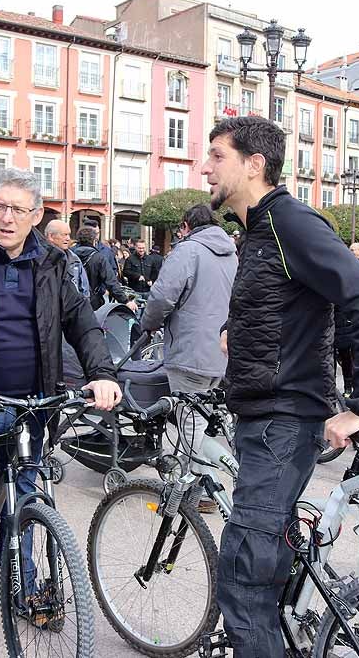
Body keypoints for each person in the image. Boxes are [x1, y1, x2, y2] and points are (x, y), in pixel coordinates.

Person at [202, 115, 359, 657]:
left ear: (254, 164)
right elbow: (286, 305)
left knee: (242, 581)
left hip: (282, 422)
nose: (205, 167)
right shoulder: (259, 230)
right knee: (264, 564)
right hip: (267, 415)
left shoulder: (291, 222)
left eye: (217, 156)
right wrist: (233, 331)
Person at [0, 167, 123, 520]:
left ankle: (23, 576)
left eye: (18, 210)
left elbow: (82, 322)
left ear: (36, 215)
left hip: (30, 406)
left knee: (26, 510)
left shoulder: (52, 262)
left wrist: (103, 374)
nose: (7, 218)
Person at [140, 204, 237, 513]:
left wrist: (148, 323)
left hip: (189, 350)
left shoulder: (188, 251)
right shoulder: (231, 253)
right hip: (220, 350)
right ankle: (189, 481)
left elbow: (162, 296)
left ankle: (207, 487)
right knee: (202, 418)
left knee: (189, 420)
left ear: (185, 225)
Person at [72, 226, 135, 311]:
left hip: (72, 301)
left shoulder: (69, 255)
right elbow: (111, 282)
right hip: (92, 302)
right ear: (94, 241)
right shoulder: (99, 258)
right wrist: (126, 301)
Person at [45, 219, 90, 296]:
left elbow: (84, 290)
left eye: (69, 234)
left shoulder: (74, 260)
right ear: (51, 236)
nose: (68, 238)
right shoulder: (38, 259)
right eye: (64, 235)